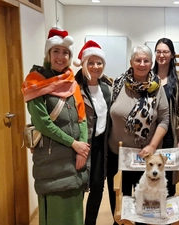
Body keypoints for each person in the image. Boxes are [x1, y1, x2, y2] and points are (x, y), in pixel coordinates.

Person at [21, 27, 89, 225]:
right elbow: (42, 123)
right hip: (52, 160)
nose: (61, 56)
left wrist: (81, 150)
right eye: (56, 51)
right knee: (56, 214)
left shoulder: (71, 82)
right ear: (48, 54)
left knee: (75, 213)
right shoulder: (35, 82)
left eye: (65, 52)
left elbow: (81, 118)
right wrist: (74, 144)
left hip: (74, 160)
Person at [107, 45, 169, 225]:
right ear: (131, 62)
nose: (142, 64)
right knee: (119, 201)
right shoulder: (118, 83)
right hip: (117, 154)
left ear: (151, 63)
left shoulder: (157, 87)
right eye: (138, 60)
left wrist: (152, 146)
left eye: (146, 60)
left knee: (143, 201)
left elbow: (164, 120)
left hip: (144, 157)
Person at [73, 40, 113, 225]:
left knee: (98, 188)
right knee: (78, 188)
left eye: (99, 63)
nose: (95, 67)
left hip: (100, 147)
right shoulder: (73, 87)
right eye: (91, 62)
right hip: (80, 146)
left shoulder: (108, 88)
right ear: (83, 64)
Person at [152, 37, 179, 197]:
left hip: (170, 137)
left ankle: (166, 218)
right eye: (158, 51)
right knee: (150, 179)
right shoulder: (148, 77)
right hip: (149, 137)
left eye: (165, 52)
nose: (161, 55)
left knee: (168, 182)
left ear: (172, 55)